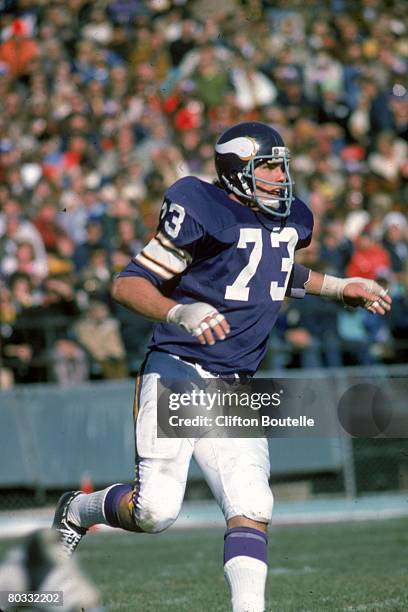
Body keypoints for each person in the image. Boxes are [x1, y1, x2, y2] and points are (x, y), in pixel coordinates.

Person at [52, 122, 391, 612]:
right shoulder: (200, 205)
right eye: (268, 166)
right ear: (236, 173)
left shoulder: (290, 218)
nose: (280, 175)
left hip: (236, 383)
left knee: (253, 506)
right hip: (179, 367)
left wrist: (339, 287)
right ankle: (77, 510)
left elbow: (267, 267)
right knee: (154, 512)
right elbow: (129, 283)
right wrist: (178, 310)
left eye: (281, 165)